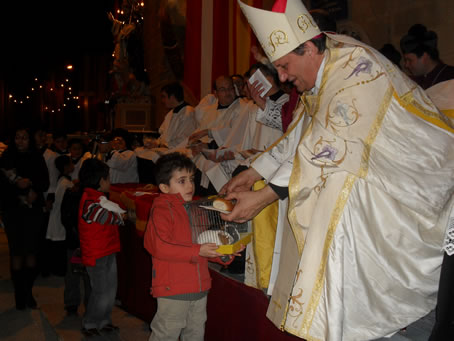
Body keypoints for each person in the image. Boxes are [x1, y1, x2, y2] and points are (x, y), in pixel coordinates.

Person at [219, 1, 454, 340]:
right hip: (377, 172)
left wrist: (262, 198)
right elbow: (303, 131)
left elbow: (327, 147)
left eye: (284, 66)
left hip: (418, 179)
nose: (282, 77)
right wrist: (255, 171)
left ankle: (355, 316)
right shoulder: (325, 63)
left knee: (340, 203)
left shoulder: (357, 69)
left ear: (310, 47)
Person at [143, 152, 223, 341]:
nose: (190, 185)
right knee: (166, 334)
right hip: (174, 288)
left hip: (199, 286)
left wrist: (223, 254)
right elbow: (159, 246)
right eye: (182, 180)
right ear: (164, 187)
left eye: (191, 179)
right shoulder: (162, 210)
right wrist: (198, 250)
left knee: (195, 334)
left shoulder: (196, 209)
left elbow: (203, 243)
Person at [0, 127, 50, 310]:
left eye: (24, 138)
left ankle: (28, 292)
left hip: (32, 212)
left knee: (31, 252)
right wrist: (17, 187)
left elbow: (45, 182)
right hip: (12, 211)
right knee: (16, 253)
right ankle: (19, 294)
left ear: (30, 140)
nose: (21, 141)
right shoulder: (6, 158)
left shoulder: (37, 157)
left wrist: (34, 189)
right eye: (18, 137)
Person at [78, 158, 126, 336]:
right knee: (100, 291)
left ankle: (104, 320)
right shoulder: (89, 200)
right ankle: (90, 323)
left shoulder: (98, 197)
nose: (110, 182)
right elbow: (107, 217)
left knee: (110, 289)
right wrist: (121, 217)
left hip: (108, 250)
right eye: (108, 178)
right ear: (100, 181)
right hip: (96, 254)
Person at [45, 155, 75, 277]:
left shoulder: (63, 180)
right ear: (66, 167)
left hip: (57, 217)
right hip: (59, 218)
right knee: (59, 247)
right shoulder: (65, 183)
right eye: (71, 163)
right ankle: (59, 270)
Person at [400, 24, 454, 89]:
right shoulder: (413, 82)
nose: (406, 65)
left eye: (409, 60)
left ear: (424, 56)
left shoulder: (450, 77)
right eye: (405, 60)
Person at [157, 82, 197, 149]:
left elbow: (184, 138)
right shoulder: (170, 113)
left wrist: (164, 145)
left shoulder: (188, 112)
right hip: (165, 147)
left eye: (164, 97)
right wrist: (156, 143)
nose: (162, 100)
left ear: (172, 97)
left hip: (177, 150)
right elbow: (163, 134)